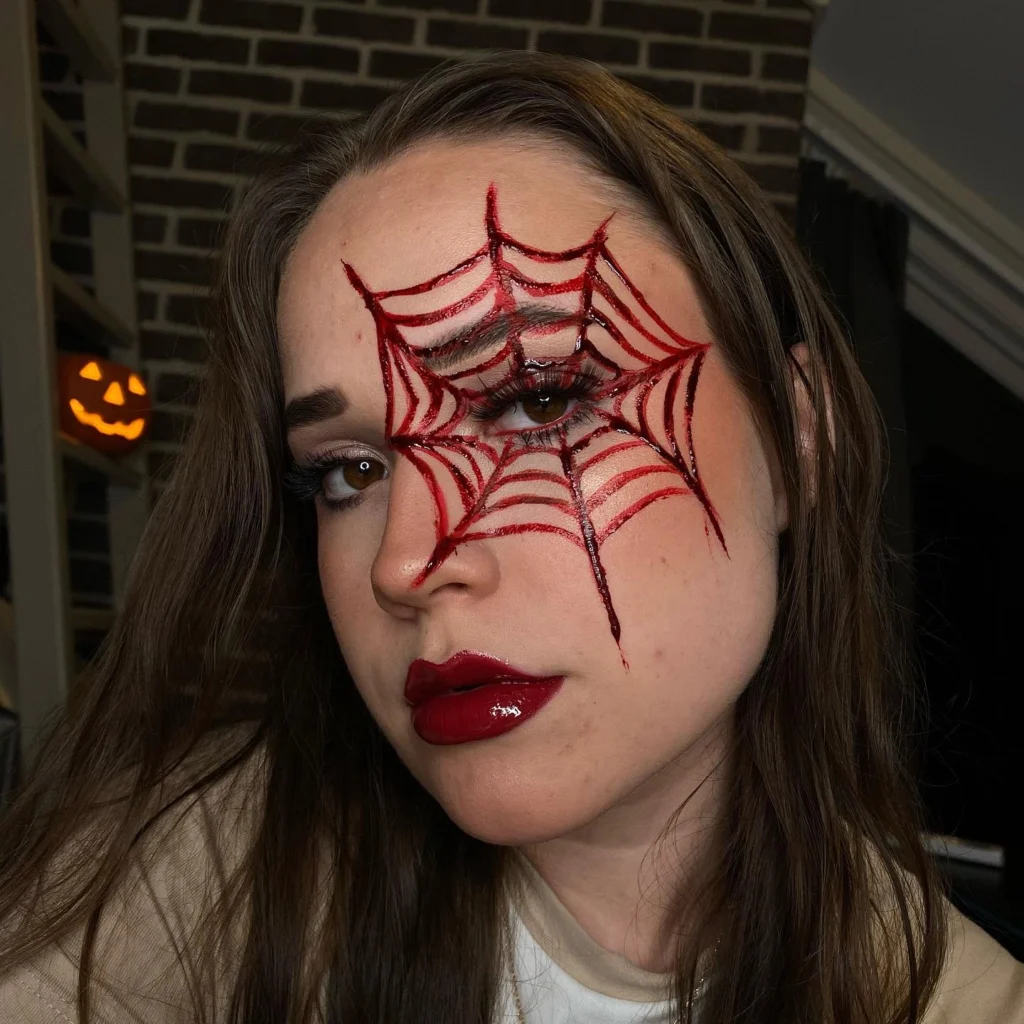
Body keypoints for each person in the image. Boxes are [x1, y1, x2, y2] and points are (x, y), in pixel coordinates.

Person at [0, 51, 1020, 1024]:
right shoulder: (196, 873)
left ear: (797, 439)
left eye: (538, 402)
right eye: (348, 470)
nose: (406, 562)